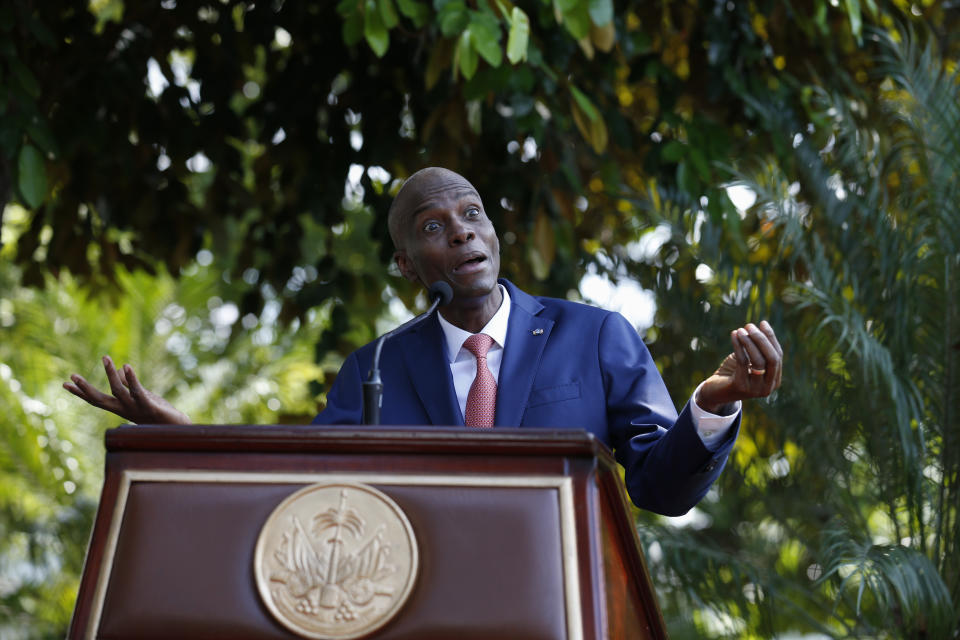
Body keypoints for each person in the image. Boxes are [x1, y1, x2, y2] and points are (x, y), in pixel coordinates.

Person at [65, 167, 782, 516]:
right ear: (407, 263)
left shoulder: (594, 335)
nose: (463, 230)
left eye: (471, 214)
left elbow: (660, 490)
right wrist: (188, 438)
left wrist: (716, 400)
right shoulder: (376, 366)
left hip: (562, 600)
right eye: (434, 226)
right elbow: (306, 480)